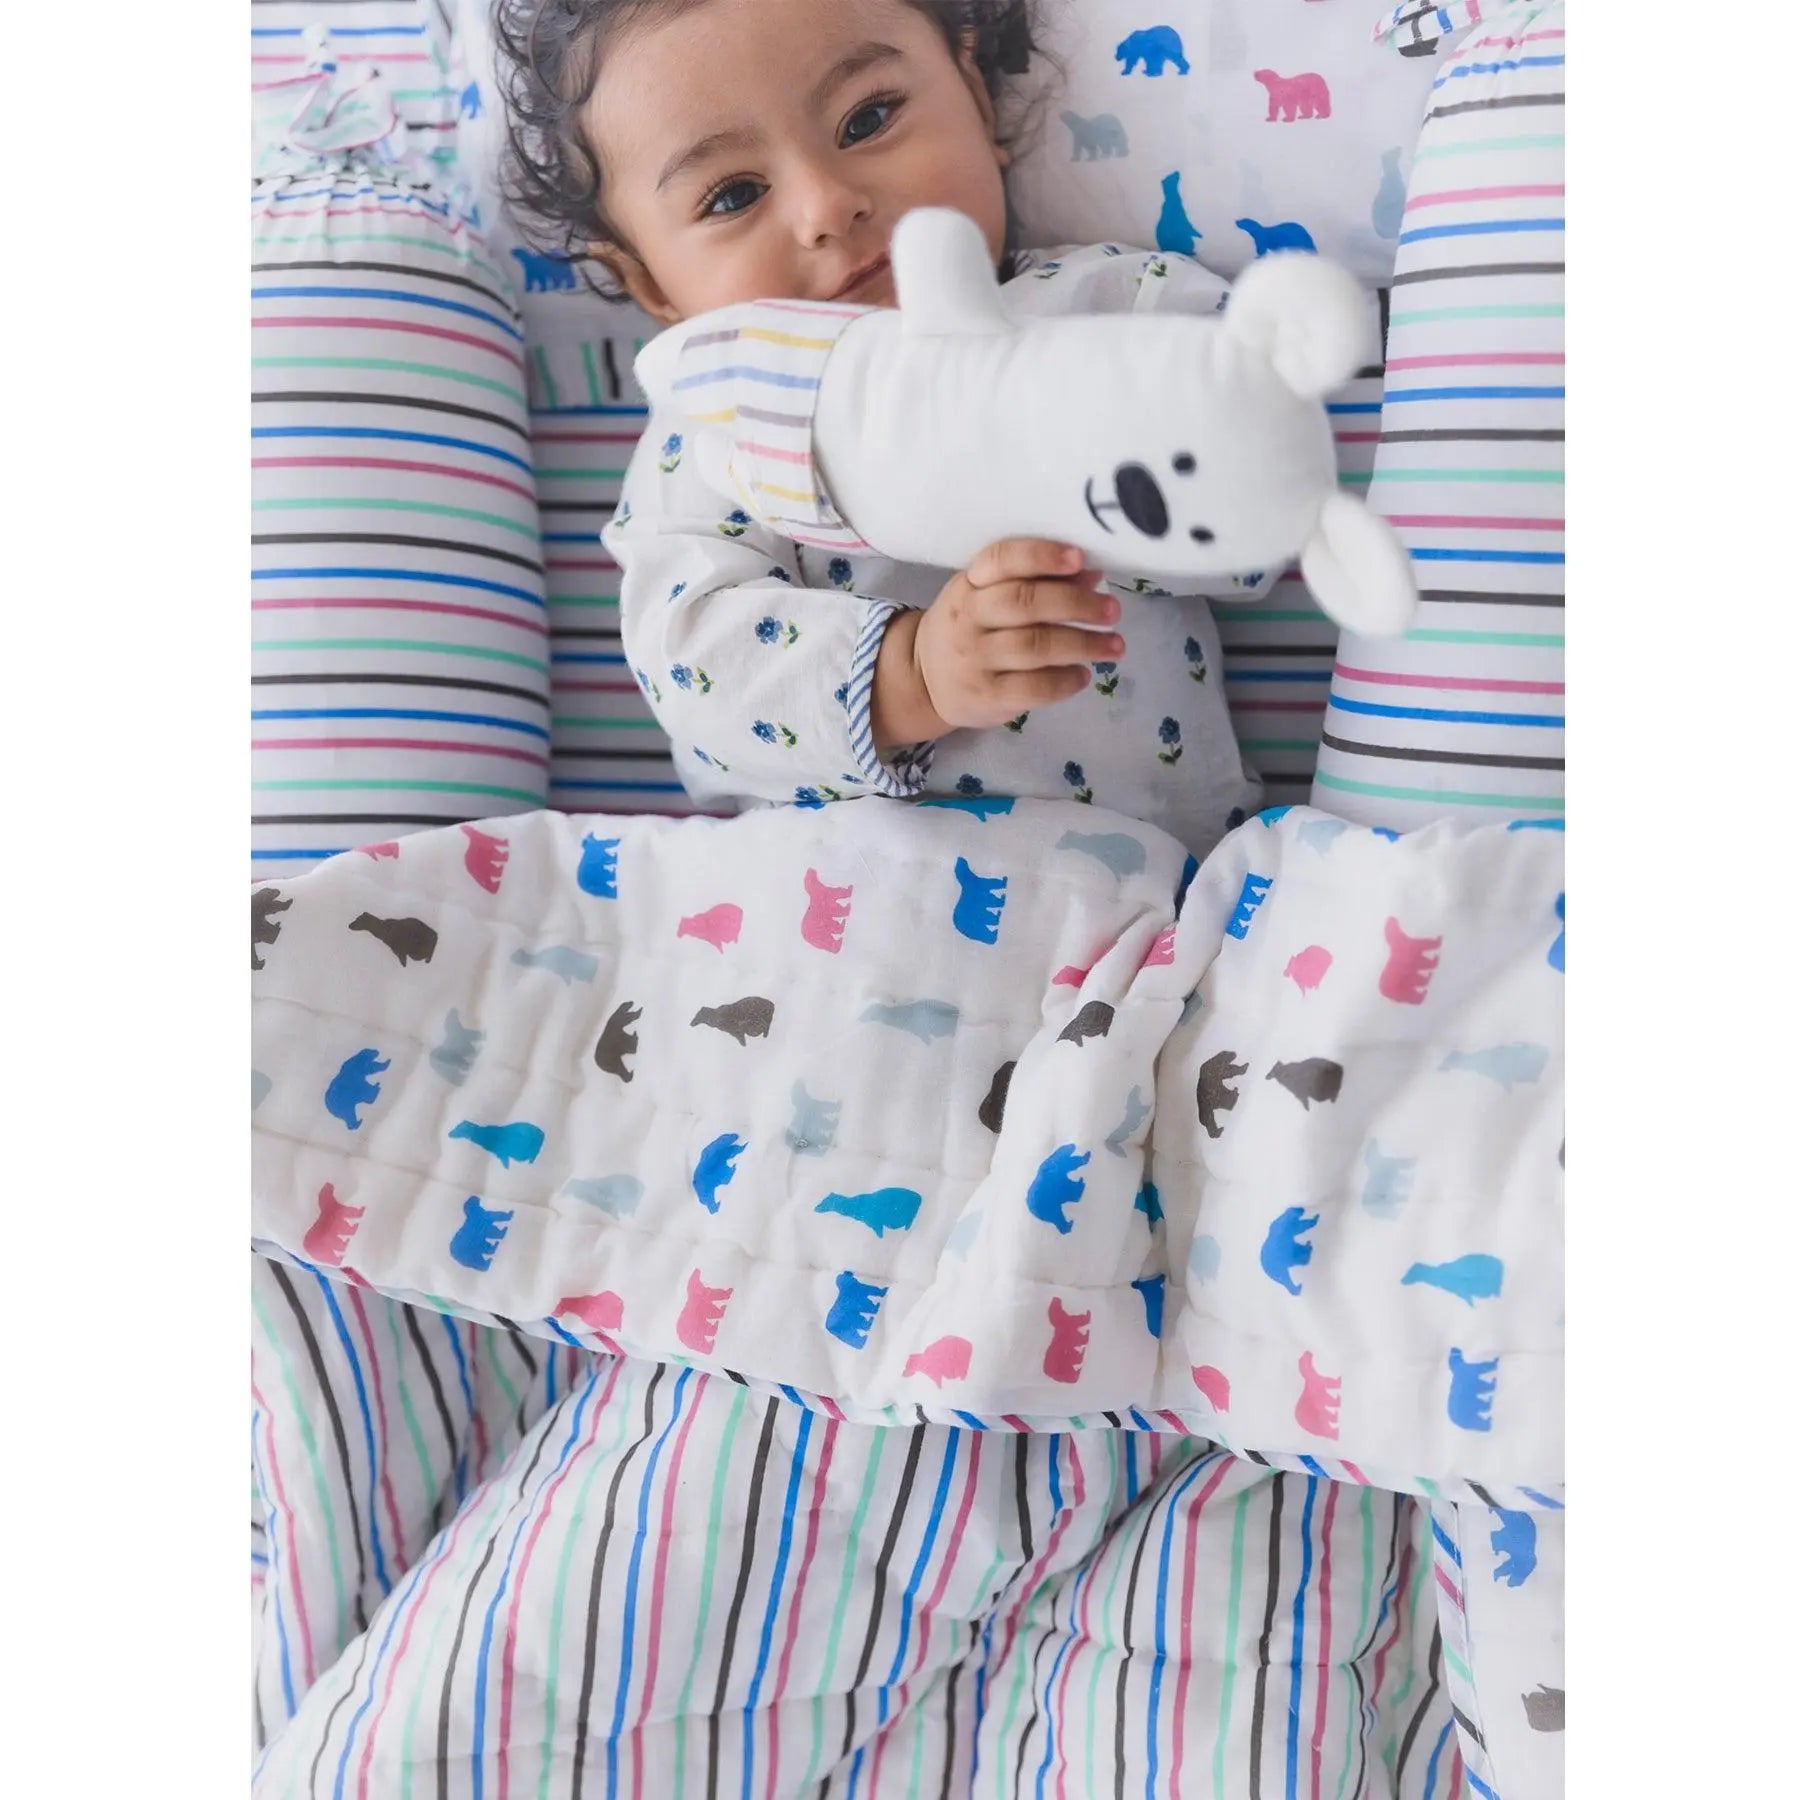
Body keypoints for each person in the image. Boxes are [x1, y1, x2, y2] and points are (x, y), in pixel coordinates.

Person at [500, 0, 1266, 856]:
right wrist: (912, 675)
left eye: (867, 118)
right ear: (651, 285)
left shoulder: (1111, 311)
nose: (826, 205)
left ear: (975, 94)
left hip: (1157, 883)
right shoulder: (717, 430)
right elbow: (692, 665)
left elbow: (1260, 507)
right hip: (843, 891)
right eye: (735, 195)